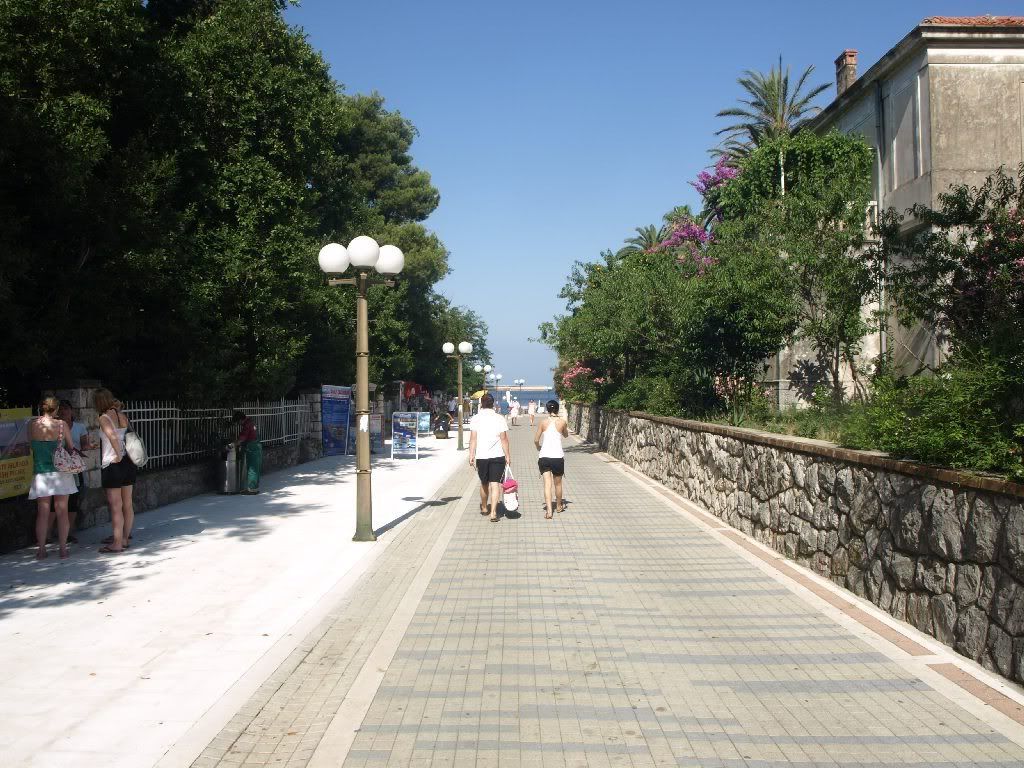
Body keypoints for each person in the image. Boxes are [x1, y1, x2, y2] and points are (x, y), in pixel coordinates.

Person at [28, 396, 78, 559]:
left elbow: (30, 444)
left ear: (41, 408)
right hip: (61, 473)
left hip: (41, 473)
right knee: (62, 511)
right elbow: (71, 447)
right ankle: (63, 549)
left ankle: (41, 550)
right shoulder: (62, 425)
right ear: (56, 409)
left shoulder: (32, 425)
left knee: (42, 513)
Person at [95, 388, 137, 553]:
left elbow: (112, 437)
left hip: (113, 463)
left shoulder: (103, 418)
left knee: (115, 506)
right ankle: (125, 539)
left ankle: (117, 543)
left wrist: (117, 455)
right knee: (128, 504)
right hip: (128, 462)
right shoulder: (122, 416)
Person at [468, 393, 511, 523]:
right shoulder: (499, 418)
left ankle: (484, 507)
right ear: (493, 404)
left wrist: (471, 454)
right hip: (498, 455)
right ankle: (493, 513)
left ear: (481, 403)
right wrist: (508, 455)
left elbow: (473, 439)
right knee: (495, 484)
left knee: (484, 483)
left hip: (482, 456)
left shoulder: (475, 418)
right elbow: (504, 439)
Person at [55, 399, 93, 544]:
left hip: (74, 467)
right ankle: (53, 533)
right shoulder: (54, 426)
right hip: (59, 468)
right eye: (60, 409)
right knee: (56, 502)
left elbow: (84, 444)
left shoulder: (79, 427)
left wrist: (88, 446)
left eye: (66, 408)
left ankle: (68, 532)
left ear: (71, 411)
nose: (63, 411)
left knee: (73, 500)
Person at [534, 399, 569, 519]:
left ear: (548, 409)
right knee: (558, 484)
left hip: (544, 456)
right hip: (557, 457)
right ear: (557, 409)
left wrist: (538, 447)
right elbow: (566, 435)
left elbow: (536, 439)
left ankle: (549, 511)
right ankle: (558, 506)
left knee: (547, 485)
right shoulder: (562, 422)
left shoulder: (543, 422)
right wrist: (563, 426)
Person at [233, 411, 263, 494]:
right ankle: (254, 488)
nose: (238, 424)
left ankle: (252, 490)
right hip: (257, 445)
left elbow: (242, 438)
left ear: (240, 420)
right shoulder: (251, 421)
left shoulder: (246, 424)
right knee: (256, 467)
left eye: (238, 422)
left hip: (252, 446)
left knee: (252, 468)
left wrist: (232, 445)